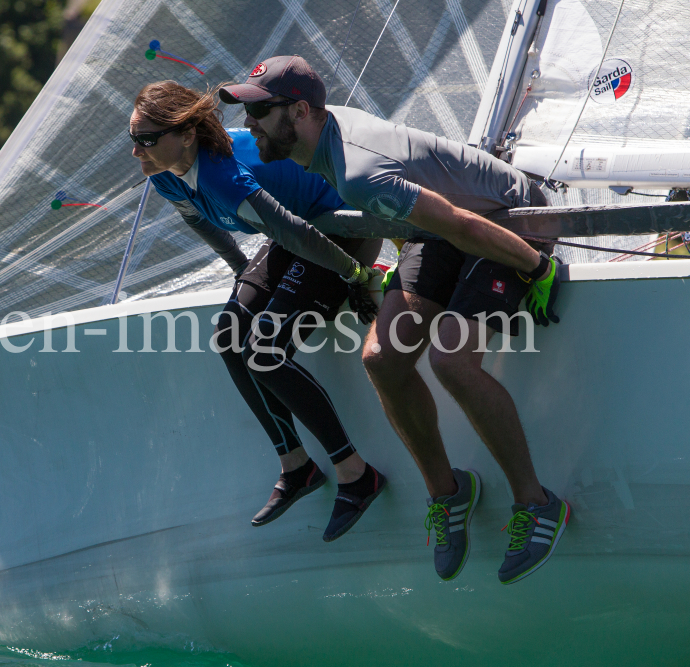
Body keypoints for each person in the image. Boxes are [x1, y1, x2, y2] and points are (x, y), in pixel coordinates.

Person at [220, 56, 569, 584]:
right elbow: (419, 215)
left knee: (450, 360)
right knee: (382, 358)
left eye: (259, 112)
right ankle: (447, 493)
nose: (249, 126)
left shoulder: (357, 171)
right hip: (440, 232)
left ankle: (538, 503)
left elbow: (458, 222)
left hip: (505, 219)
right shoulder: (319, 138)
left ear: (299, 110)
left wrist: (536, 264)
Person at [131, 81, 386, 541]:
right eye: (133, 140)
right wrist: (241, 273)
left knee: (264, 350)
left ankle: (355, 474)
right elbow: (203, 224)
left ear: (186, 135)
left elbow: (293, 231)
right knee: (229, 337)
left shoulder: (223, 174)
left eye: (147, 140)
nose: (137, 152)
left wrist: (353, 274)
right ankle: (297, 465)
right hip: (294, 235)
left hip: (338, 234)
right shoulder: (164, 173)